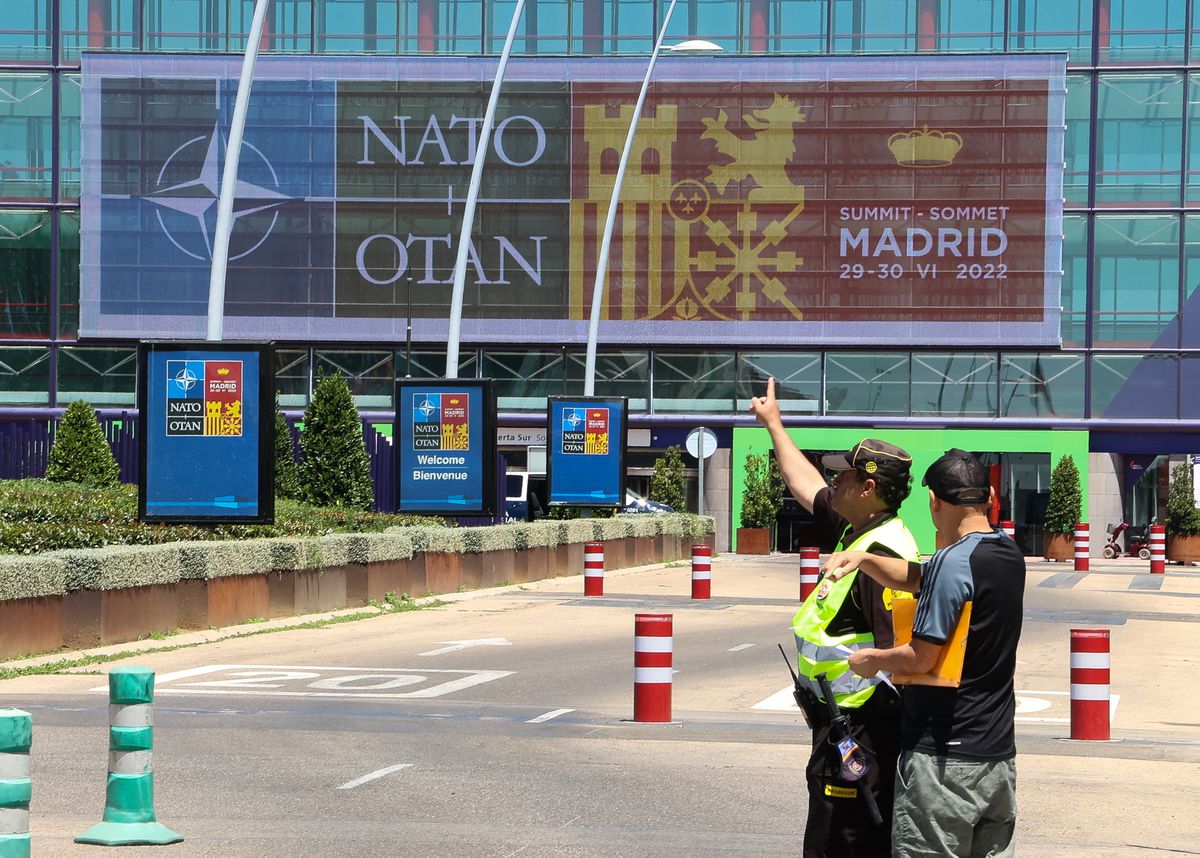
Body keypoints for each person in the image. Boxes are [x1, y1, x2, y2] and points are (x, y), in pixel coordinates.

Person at [823, 449, 1026, 858]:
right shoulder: (1005, 554)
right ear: (988, 496)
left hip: (945, 762)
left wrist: (871, 661)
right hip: (997, 758)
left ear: (934, 501)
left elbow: (921, 658)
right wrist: (864, 558)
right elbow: (922, 577)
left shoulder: (953, 562)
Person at [749, 377, 921, 858]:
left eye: (844, 477)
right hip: (840, 724)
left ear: (868, 488)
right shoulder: (861, 531)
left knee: (840, 844)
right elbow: (807, 487)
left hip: (860, 731)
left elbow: (902, 662)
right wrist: (774, 425)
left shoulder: (881, 557)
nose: (834, 482)